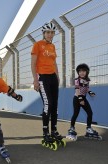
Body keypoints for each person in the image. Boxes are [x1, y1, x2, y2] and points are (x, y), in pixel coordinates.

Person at [31, 22, 65, 150]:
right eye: (48, 32)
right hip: (43, 77)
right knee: (48, 104)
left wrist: (57, 75)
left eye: (52, 32)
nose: (50, 35)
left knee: (55, 104)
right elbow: (33, 64)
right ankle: (45, 132)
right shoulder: (37, 45)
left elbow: (54, 62)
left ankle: (54, 130)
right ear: (44, 33)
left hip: (53, 77)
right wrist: (35, 80)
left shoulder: (52, 46)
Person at [66, 63, 102, 141]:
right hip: (77, 98)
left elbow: (87, 88)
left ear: (87, 72)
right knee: (75, 114)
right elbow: (77, 90)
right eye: (80, 71)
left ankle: (88, 128)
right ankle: (71, 128)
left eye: (83, 71)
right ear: (78, 72)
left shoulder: (87, 80)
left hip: (83, 98)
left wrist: (90, 92)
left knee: (90, 113)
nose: (81, 73)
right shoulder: (77, 80)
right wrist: (80, 99)